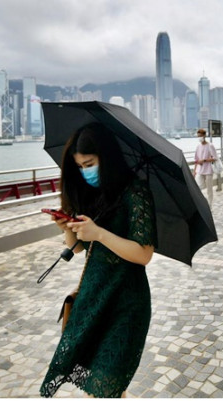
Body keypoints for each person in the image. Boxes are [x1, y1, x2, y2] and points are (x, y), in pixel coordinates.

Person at [40, 123, 157, 398]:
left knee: (106, 386)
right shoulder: (93, 193)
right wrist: (67, 228)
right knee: (100, 389)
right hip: (94, 297)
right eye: (80, 167)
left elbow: (144, 254)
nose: (85, 172)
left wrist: (100, 233)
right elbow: (80, 249)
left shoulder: (135, 193)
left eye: (89, 164)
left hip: (126, 303)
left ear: (107, 157)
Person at [194, 128, 218, 206]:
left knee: (209, 189)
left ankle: (210, 205)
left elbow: (214, 158)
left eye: (200, 136)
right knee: (197, 187)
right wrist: (194, 171)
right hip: (200, 170)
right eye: (198, 136)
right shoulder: (198, 146)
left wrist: (204, 160)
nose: (199, 138)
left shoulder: (210, 145)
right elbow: (196, 160)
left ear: (204, 135)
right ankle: (202, 202)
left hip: (208, 171)